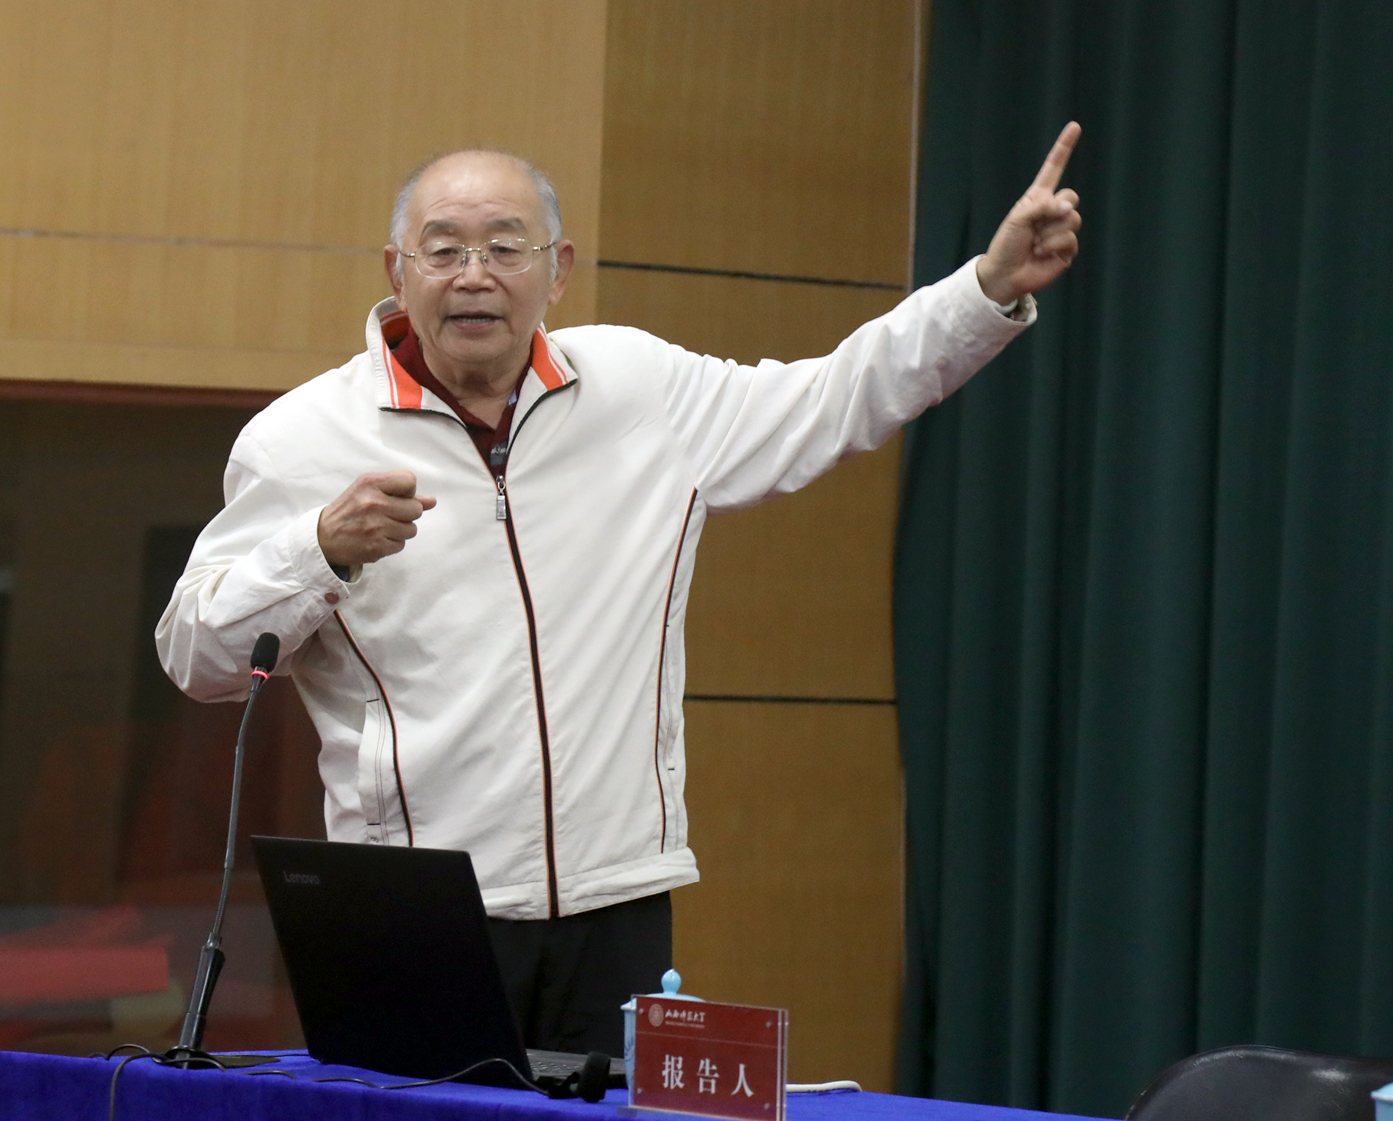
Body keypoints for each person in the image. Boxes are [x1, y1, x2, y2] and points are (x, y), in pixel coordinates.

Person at [157, 126, 1083, 1055]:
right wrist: (317, 549)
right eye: (443, 250)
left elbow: (834, 397)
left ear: (557, 271)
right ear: (397, 272)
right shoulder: (302, 439)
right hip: (406, 906)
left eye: (505, 247)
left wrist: (985, 288)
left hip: (617, 897)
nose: (474, 275)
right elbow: (198, 656)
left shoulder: (641, 387)